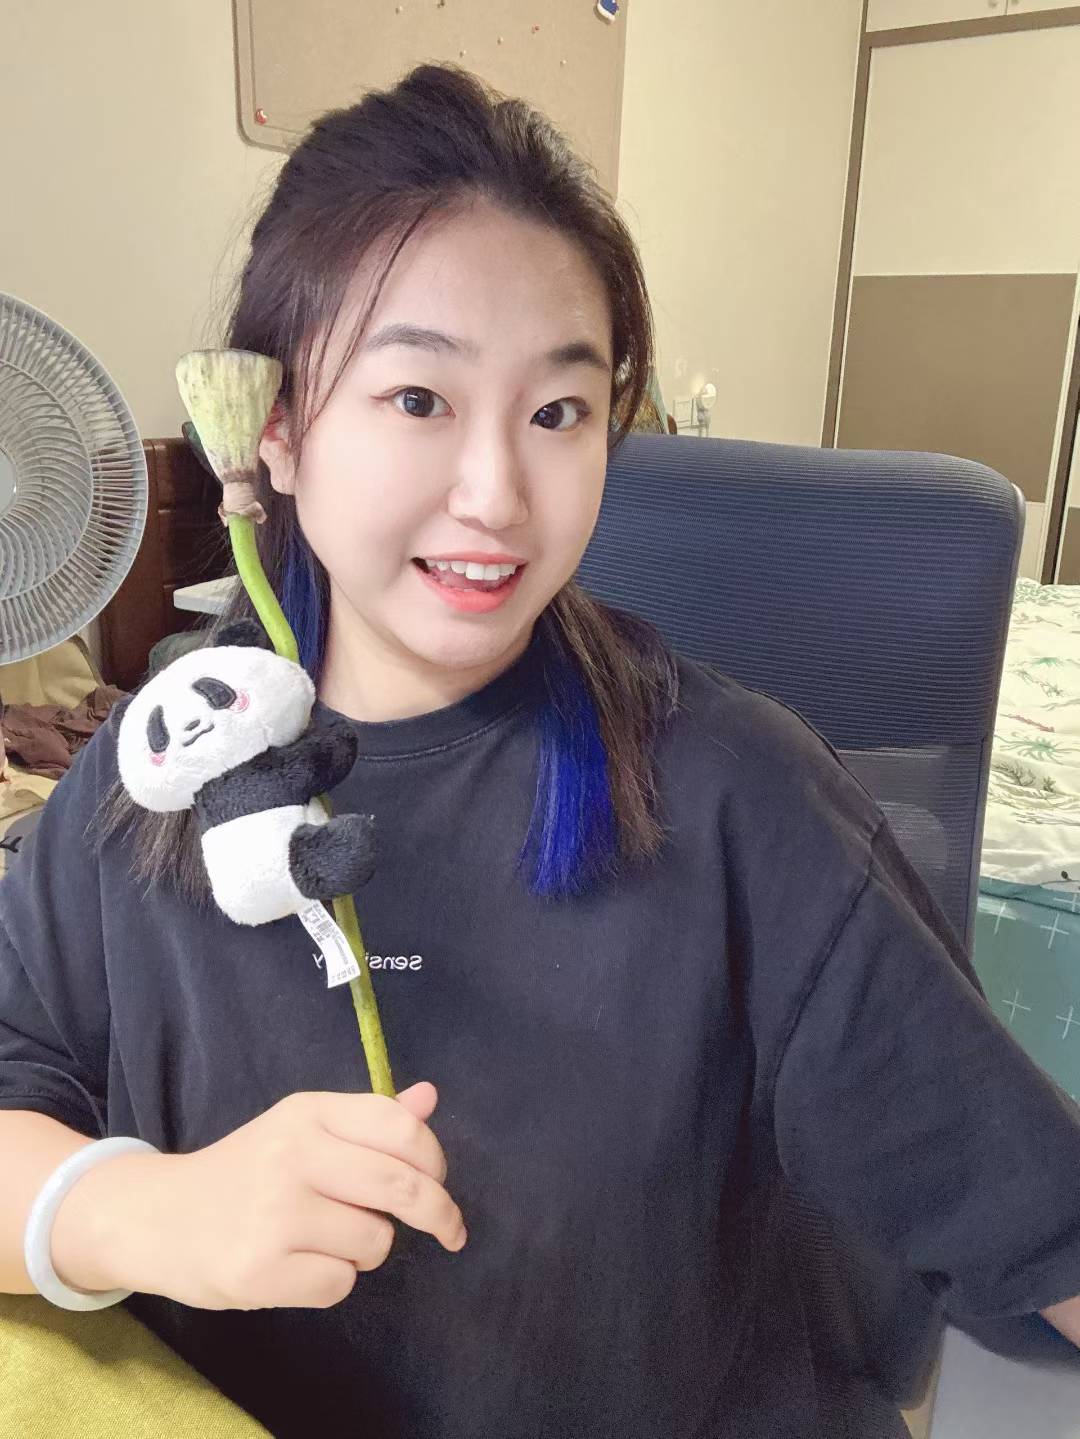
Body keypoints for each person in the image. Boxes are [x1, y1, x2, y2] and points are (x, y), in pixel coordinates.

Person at [2, 63, 1080, 1439]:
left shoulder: (739, 801)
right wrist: (146, 1211)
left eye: (558, 412)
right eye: (418, 399)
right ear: (272, 427)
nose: (499, 496)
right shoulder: (153, 775)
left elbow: (1041, 1222)